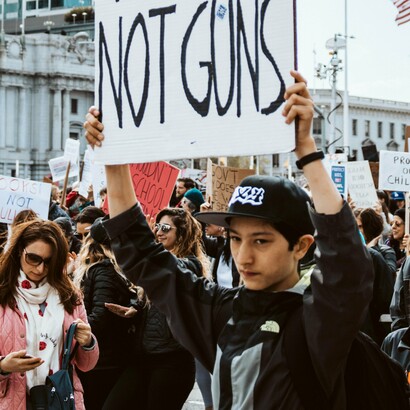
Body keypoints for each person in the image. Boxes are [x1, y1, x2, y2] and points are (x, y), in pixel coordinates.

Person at [84, 70, 374, 408]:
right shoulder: (220, 311)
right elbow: (141, 254)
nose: (244, 256)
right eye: (236, 239)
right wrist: (114, 159)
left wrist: (306, 150)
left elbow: (348, 263)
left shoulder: (321, 318)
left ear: (302, 245)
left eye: (261, 241)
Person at [102, 207, 208, 410]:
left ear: (182, 234)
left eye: (166, 228)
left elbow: (167, 270)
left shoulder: (190, 266)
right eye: (157, 226)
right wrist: (137, 310)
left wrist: (145, 243)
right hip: (143, 357)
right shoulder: (160, 261)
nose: (159, 231)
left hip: (172, 361)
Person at [0, 219, 99, 409]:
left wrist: (87, 343)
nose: (40, 269)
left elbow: (86, 365)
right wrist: (3, 367)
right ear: (19, 251)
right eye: (33, 258)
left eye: (48, 261)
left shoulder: (70, 297)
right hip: (12, 400)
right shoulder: (3, 294)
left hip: (59, 400)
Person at [73, 230, 136, 410]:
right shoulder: (107, 269)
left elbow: (101, 316)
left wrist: (74, 332)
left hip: (103, 359)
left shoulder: (103, 270)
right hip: (105, 357)